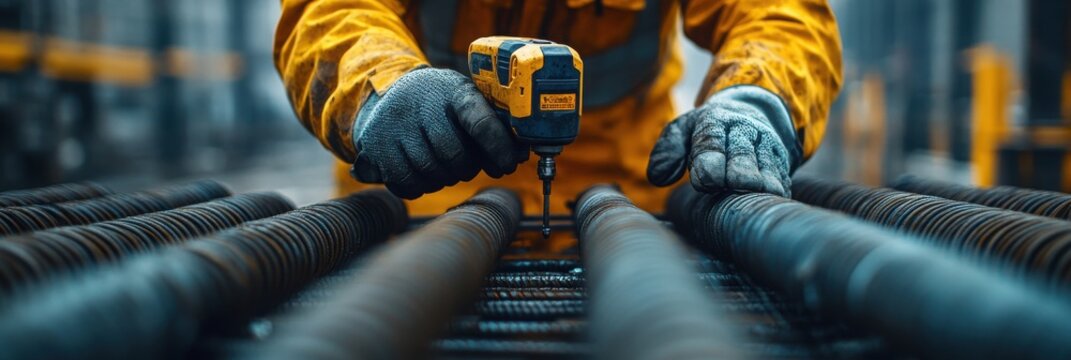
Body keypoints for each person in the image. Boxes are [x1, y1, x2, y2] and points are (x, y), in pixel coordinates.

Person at [274, 0, 842, 219]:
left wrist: (753, 99)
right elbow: (334, 12)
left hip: (622, 214)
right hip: (427, 203)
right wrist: (381, 91)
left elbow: (776, 15)